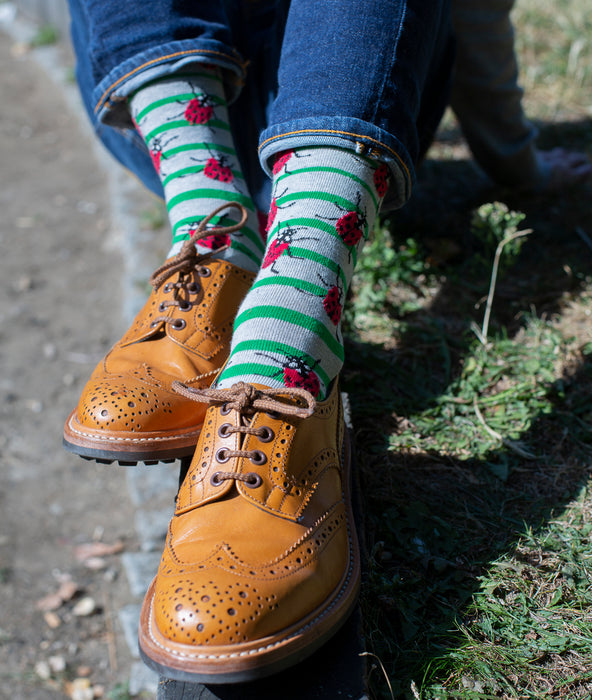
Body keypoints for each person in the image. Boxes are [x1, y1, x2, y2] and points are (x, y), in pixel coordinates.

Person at [62, 0, 590, 684]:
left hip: (352, 116)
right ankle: (216, 237)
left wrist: (518, 160)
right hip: (190, 117)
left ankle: (290, 305)